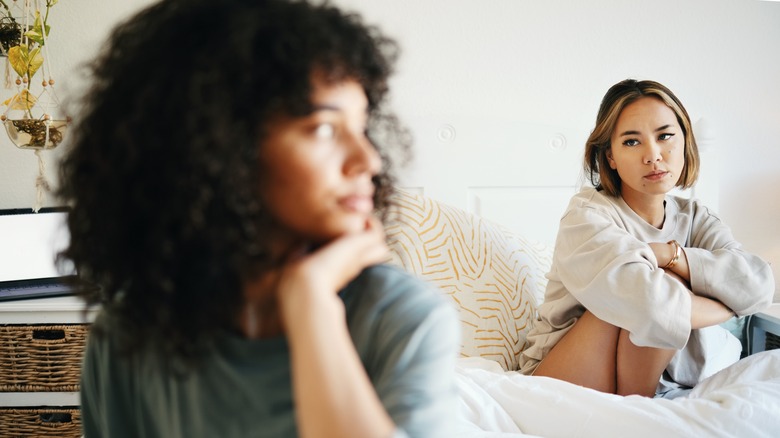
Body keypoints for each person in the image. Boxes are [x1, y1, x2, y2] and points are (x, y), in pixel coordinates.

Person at [57, 0, 459, 436]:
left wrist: (310, 302)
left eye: (362, 127)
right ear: (220, 145)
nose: (369, 160)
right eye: (324, 129)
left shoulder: (403, 319)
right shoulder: (126, 336)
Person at [518, 79, 774, 397]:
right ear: (610, 157)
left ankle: (640, 408)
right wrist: (727, 304)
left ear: (685, 140)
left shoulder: (696, 217)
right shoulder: (586, 215)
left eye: (665, 136)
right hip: (558, 377)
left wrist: (672, 256)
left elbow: (759, 283)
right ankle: (639, 411)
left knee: (665, 280)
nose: (653, 155)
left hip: (653, 382)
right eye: (631, 142)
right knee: (650, 289)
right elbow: (652, 305)